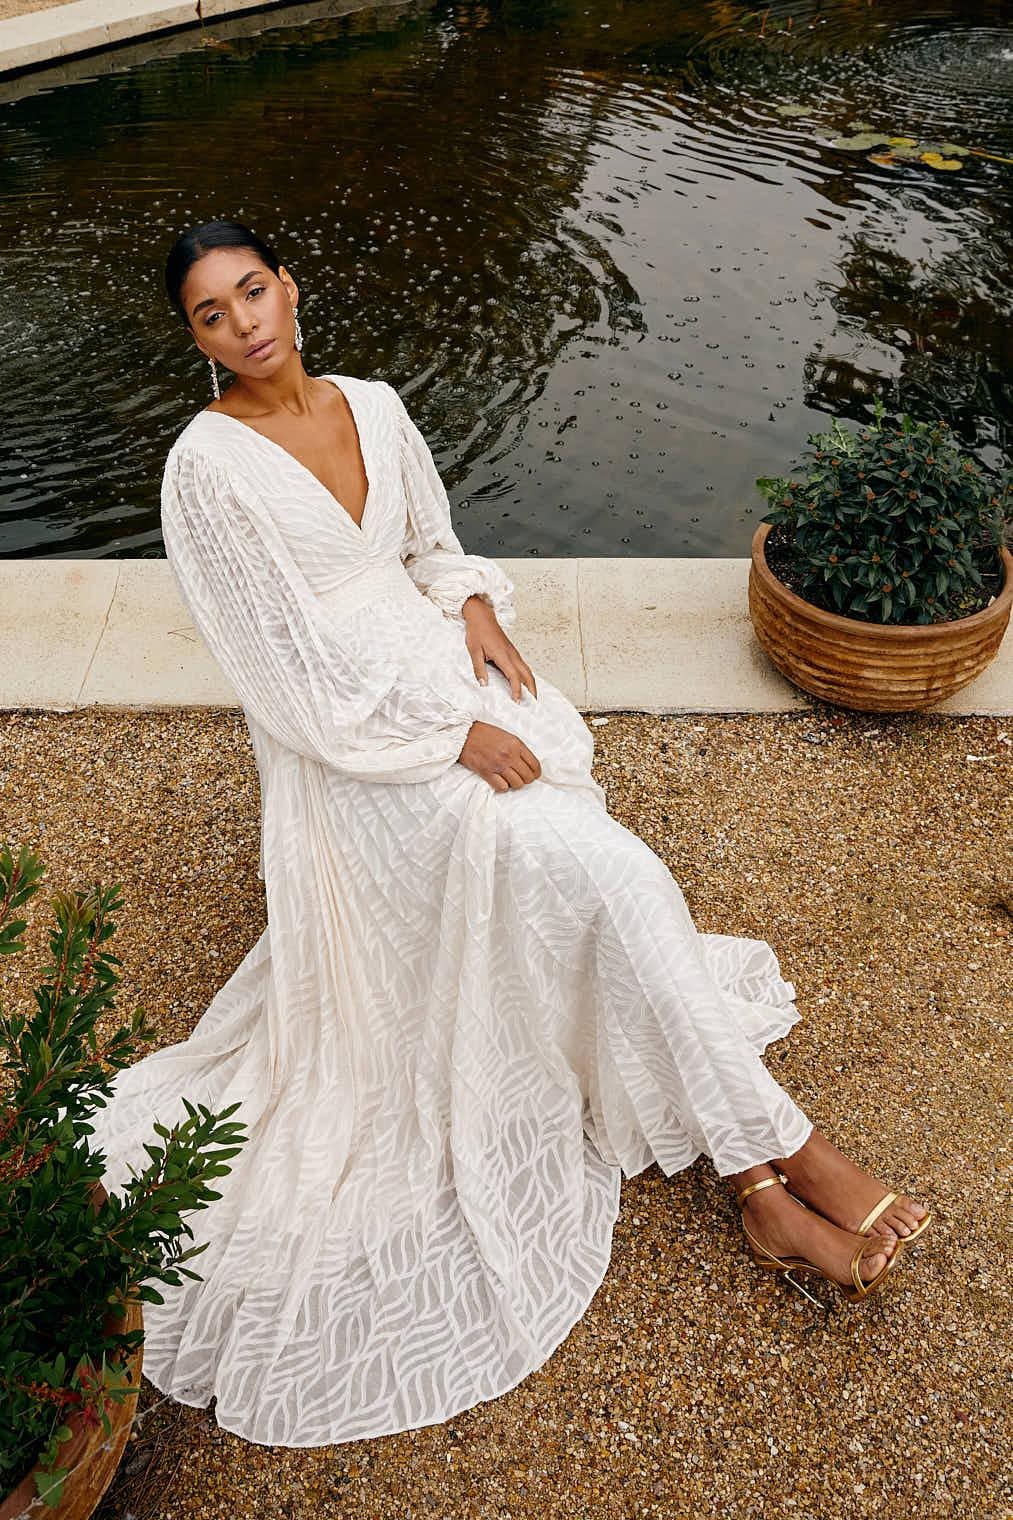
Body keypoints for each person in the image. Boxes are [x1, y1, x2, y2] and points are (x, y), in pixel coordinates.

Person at [89, 220, 930, 1449]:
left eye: (253, 290)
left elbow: (429, 545)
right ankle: (785, 1151)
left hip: (445, 677)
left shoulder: (373, 403)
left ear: (292, 284)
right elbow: (280, 675)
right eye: (212, 314)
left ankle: (757, 1185)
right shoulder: (204, 469)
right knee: (602, 873)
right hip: (356, 756)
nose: (244, 324)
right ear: (196, 339)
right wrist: (445, 742)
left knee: (603, 885)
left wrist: (473, 604)